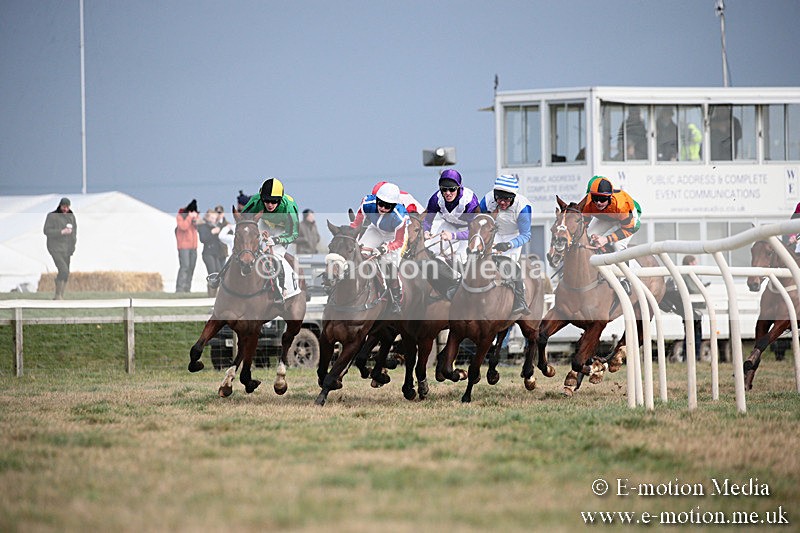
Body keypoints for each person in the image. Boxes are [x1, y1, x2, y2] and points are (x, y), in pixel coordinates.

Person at [350, 181, 409, 314]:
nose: (382, 208)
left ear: (394, 206)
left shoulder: (400, 217)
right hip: (375, 229)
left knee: (389, 264)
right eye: (381, 203)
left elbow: (399, 241)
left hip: (394, 236)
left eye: (388, 206)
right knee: (360, 254)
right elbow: (356, 224)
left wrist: (384, 249)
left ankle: (396, 299)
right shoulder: (366, 204)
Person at [239, 177, 301, 302]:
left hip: (282, 229)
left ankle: (279, 291)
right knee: (246, 249)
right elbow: (243, 221)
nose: (270, 204)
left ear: (280, 199)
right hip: (263, 222)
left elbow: (293, 234)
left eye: (274, 201)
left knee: (275, 256)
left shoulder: (289, 208)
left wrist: (276, 240)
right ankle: (221, 277)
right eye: (266, 201)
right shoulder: (256, 201)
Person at [478, 174, 533, 315]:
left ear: (513, 197)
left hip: (513, 236)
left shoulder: (523, 207)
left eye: (507, 200)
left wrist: (508, 245)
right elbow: (479, 221)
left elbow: (526, 235)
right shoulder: (487, 200)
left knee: (509, 266)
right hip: (493, 233)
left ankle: (520, 300)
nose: (502, 203)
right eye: (499, 198)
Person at [422, 168, 480, 264]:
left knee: (460, 259)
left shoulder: (469, 201)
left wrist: (453, 236)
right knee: (431, 251)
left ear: (459, 187)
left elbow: (473, 231)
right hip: (449, 226)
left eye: (452, 189)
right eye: (444, 189)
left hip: (468, 230)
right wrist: (426, 231)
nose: (448, 193)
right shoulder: (435, 199)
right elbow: (428, 220)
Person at [581, 176, 642, 253]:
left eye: (602, 199)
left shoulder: (621, 206)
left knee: (617, 245)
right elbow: (583, 225)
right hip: (608, 216)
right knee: (588, 236)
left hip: (629, 220)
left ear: (610, 197)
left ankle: (628, 264)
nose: (598, 203)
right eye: (595, 198)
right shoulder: (588, 202)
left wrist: (606, 239)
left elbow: (629, 229)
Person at [43, 197, 77, 300]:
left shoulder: (71, 217)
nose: (66, 209)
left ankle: (60, 295)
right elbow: (46, 231)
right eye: (64, 207)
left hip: (67, 249)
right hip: (55, 248)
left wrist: (73, 246)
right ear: (60, 206)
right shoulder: (52, 216)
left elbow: (74, 233)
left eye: (67, 207)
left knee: (66, 273)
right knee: (63, 270)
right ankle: (57, 295)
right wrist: (61, 232)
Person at [681, 255, 704, 362]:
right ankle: (694, 356)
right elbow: (694, 289)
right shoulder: (688, 275)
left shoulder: (686, 274)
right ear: (690, 263)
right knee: (695, 333)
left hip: (691, 308)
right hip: (693, 308)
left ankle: (689, 356)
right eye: (694, 262)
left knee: (691, 333)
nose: (696, 264)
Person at [198, 209, 225, 296]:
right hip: (208, 253)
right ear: (208, 217)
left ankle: (217, 293)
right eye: (212, 218)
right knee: (212, 272)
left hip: (216, 253)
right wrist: (212, 232)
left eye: (215, 218)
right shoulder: (203, 226)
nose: (214, 220)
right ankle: (211, 294)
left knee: (218, 272)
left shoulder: (216, 226)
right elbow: (203, 239)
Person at [175, 199, 199, 293]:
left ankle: (187, 288)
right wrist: (189, 217)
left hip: (193, 247)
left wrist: (195, 219)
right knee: (185, 266)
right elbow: (183, 227)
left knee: (191, 267)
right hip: (184, 247)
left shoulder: (194, 218)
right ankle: (179, 288)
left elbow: (198, 227)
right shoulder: (180, 216)